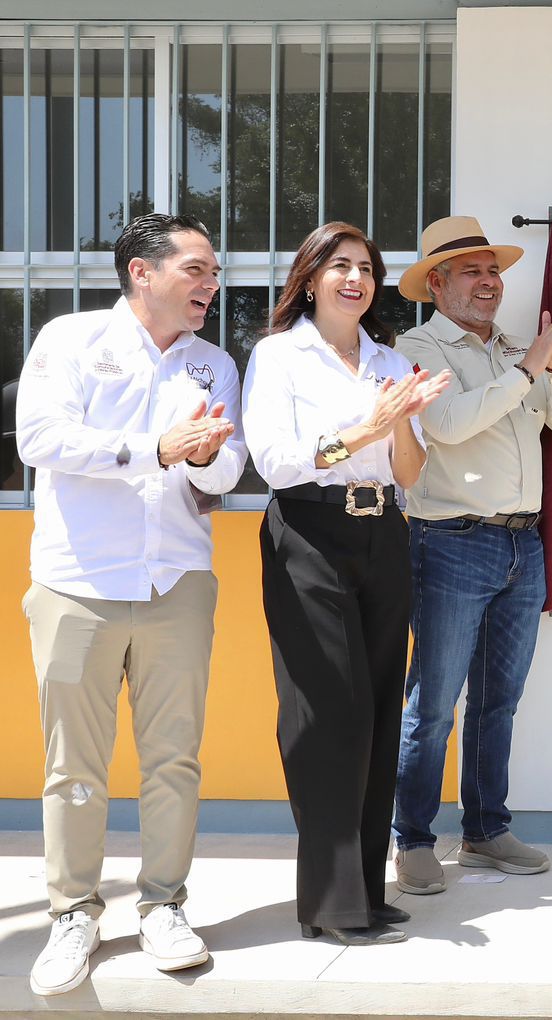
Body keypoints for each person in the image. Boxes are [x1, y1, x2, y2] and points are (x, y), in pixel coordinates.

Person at [16, 213, 244, 995]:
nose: (211, 285)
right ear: (141, 273)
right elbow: (40, 439)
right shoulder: (71, 341)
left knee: (173, 758)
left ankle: (162, 905)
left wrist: (209, 458)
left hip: (175, 580)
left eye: (214, 273)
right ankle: (73, 914)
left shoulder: (213, 364)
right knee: (72, 764)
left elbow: (226, 467)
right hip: (78, 581)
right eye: (197, 270)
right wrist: (156, 448)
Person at [241, 222, 450, 945]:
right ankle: (330, 904)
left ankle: (365, 889)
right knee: (328, 715)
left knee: (377, 713)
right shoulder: (279, 356)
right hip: (308, 533)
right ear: (310, 277)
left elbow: (412, 473)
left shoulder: (389, 359)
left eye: (366, 267)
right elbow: (274, 462)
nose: (356, 278)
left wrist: (400, 423)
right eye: (341, 266)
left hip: (384, 532)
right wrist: (366, 431)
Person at [387, 216, 552, 894]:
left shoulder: (513, 349)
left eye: (492, 270)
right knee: (435, 703)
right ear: (436, 284)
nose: (488, 282)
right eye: (471, 271)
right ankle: (412, 838)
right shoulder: (416, 345)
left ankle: (484, 831)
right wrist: (527, 369)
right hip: (449, 543)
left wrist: (551, 367)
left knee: (499, 701)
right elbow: (443, 425)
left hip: (520, 544)